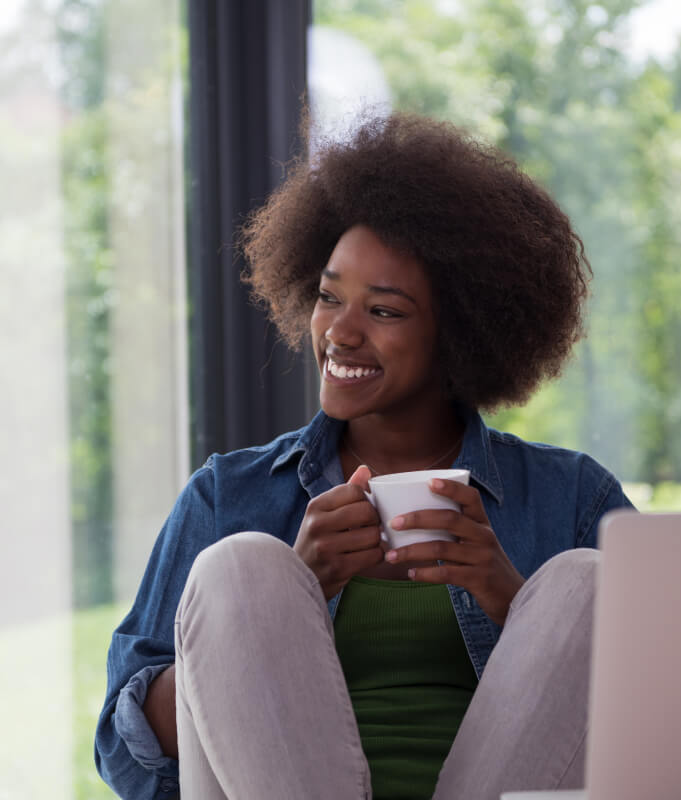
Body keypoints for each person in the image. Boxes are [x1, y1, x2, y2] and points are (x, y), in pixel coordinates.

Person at [95, 112, 634, 800]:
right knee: (244, 565)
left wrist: (509, 597)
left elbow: (655, 730)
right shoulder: (227, 495)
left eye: (383, 311)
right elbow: (124, 755)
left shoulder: (573, 498)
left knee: (582, 582)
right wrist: (293, 590)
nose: (339, 333)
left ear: (461, 332)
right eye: (327, 297)